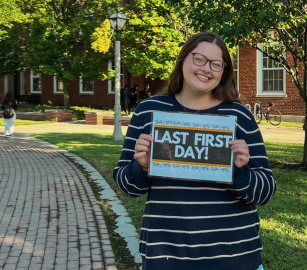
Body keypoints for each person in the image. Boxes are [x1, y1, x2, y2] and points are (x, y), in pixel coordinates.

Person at [113, 32, 276, 270]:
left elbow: (265, 191)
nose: (206, 69)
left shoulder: (239, 116)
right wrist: (142, 166)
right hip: (166, 255)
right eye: (198, 58)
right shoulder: (149, 111)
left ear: (224, 72)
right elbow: (127, 186)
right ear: (183, 60)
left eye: (216, 64)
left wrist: (240, 172)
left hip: (235, 256)